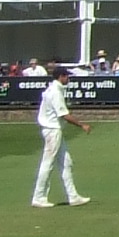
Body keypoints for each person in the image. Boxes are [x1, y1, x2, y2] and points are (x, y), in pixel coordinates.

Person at [31, 65, 90, 208]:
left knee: (66, 163)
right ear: (61, 77)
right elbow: (64, 115)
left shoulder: (53, 89)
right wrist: (82, 125)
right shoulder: (55, 92)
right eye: (66, 76)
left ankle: (73, 196)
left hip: (53, 129)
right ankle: (38, 197)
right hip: (52, 130)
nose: (68, 78)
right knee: (48, 163)